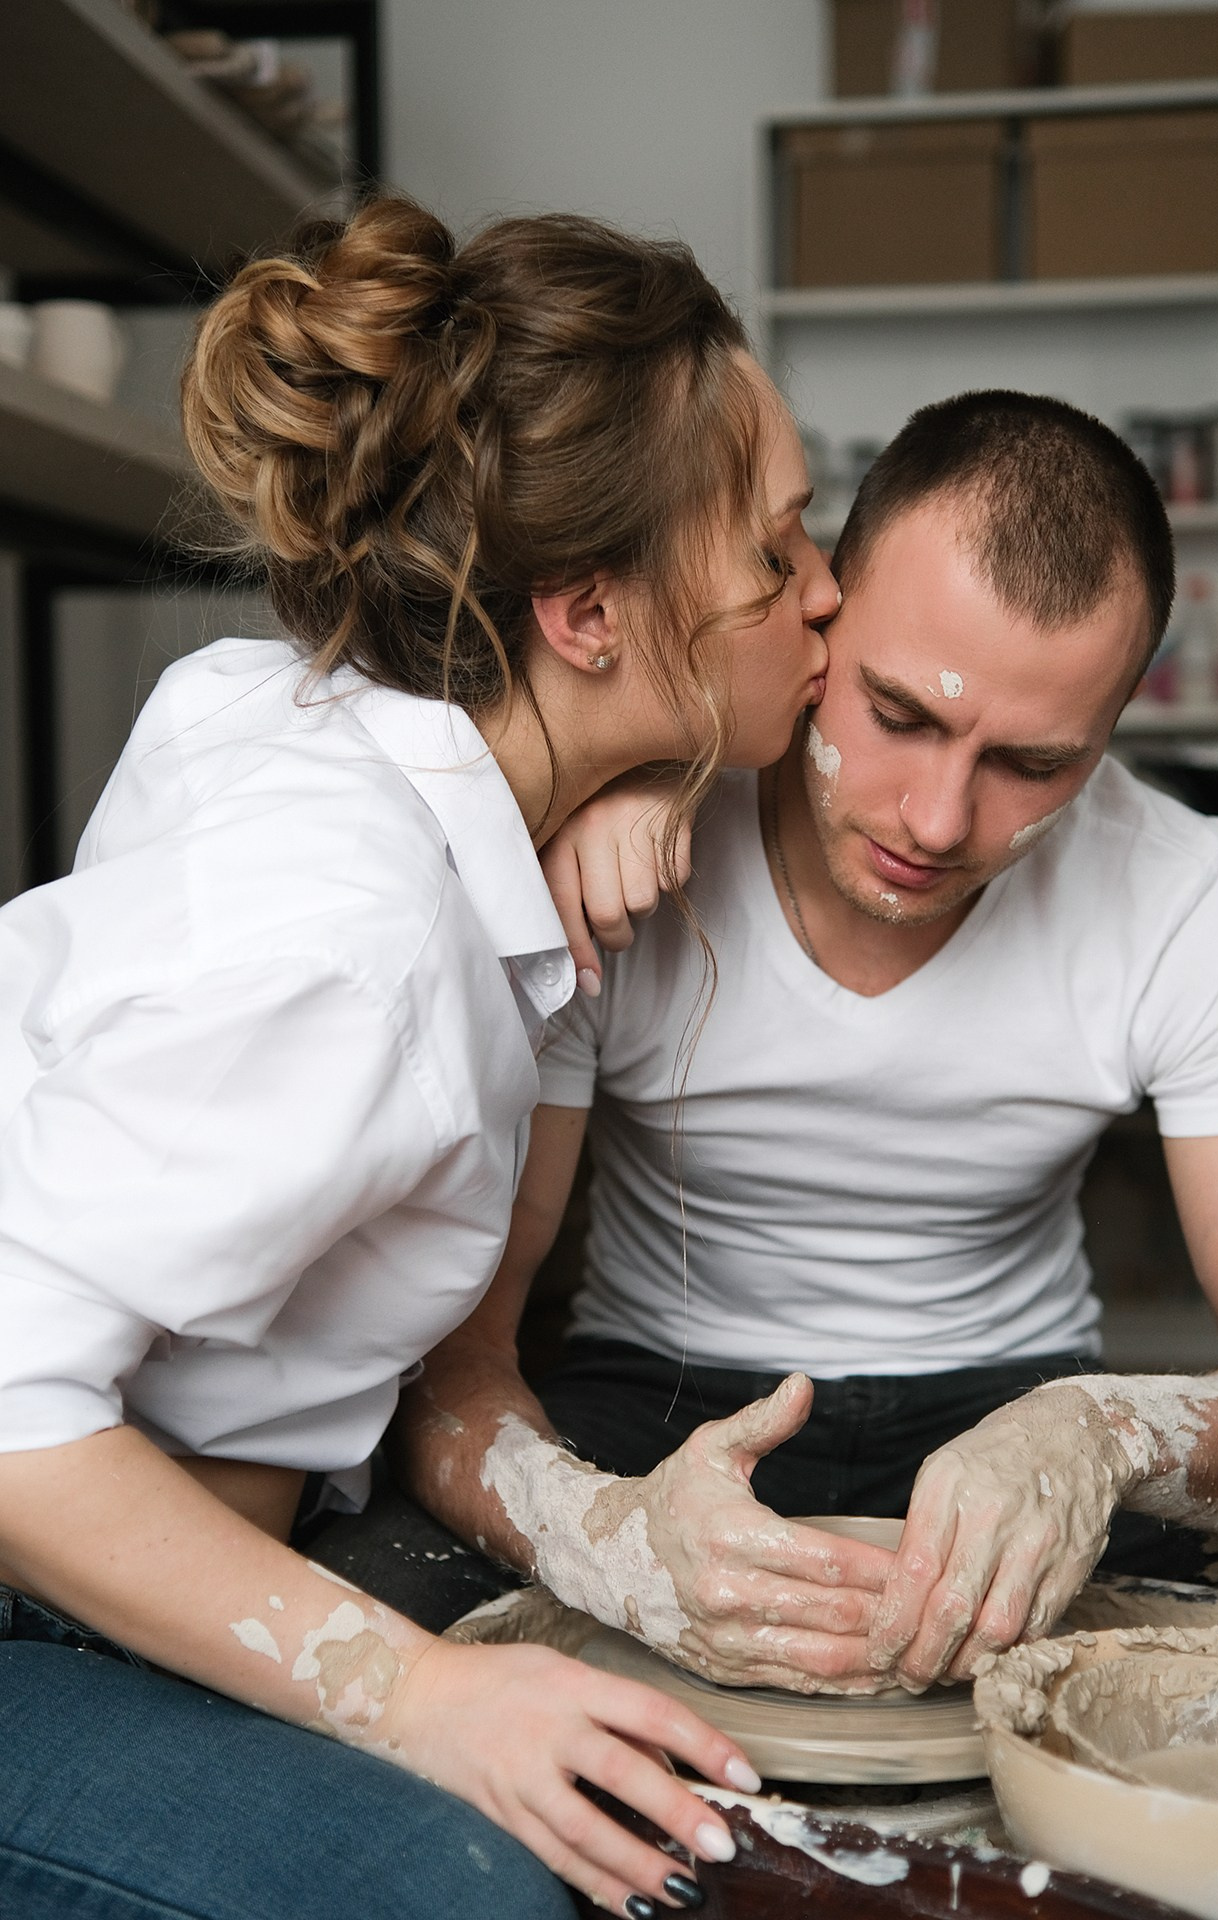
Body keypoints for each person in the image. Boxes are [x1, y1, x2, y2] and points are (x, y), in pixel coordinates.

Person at [0, 195, 843, 1920]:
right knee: (482, 1884)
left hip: (194, 1524)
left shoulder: (309, 714)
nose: (824, 593)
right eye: (778, 552)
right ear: (587, 614)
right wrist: (420, 1695)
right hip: (32, 1580)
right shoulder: (355, 937)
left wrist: (605, 777)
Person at [340, 389, 1218, 1697]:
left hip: (1020, 1415)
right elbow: (459, 1362)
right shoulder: (627, 834)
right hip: (653, 1402)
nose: (940, 819)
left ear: (1117, 726)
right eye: (899, 715)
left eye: (1034, 763)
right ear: (816, 608)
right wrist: (597, 1536)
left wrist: (1105, 1433)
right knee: (358, 1633)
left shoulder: (1198, 897)